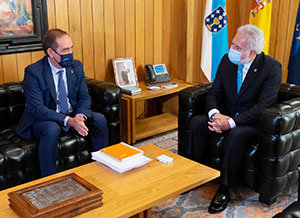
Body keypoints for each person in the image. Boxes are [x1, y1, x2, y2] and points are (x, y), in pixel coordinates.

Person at [189, 24, 281, 213]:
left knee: (236, 135)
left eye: (238, 48)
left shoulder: (271, 68)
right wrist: (215, 115)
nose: (231, 49)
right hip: (225, 114)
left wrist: (230, 123)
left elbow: (263, 107)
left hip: (251, 122)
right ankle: (193, 173)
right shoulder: (227, 60)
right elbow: (214, 92)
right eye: (232, 44)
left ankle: (225, 187)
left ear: (252, 52)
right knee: (197, 122)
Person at [16, 29, 109, 177]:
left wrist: (80, 116)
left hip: (72, 113)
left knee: (99, 119)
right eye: (65, 49)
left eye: (71, 47)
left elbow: (85, 97)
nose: (70, 53)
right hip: (46, 118)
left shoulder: (76, 67)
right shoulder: (34, 72)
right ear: (51, 53)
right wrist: (69, 121)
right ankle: (49, 179)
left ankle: (104, 168)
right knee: (52, 129)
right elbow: (37, 109)